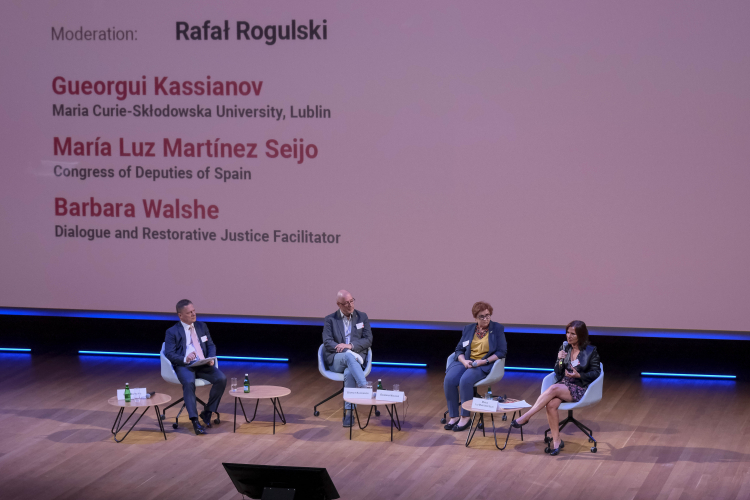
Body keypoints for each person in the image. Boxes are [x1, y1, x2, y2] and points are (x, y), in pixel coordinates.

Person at [511, 320, 601, 455]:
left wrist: (579, 375)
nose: (569, 336)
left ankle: (527, 416)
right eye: (567, 333)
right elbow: (558, 372)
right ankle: (557, 441)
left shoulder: (590, 351)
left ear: (581, 335)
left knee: (553, 389)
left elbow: (596, 372)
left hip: (580, 387)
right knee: (551, 404)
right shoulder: (565, 347)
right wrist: (559, 360)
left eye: (573, 334)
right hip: (564, 383)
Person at [164, 299, 227, 435]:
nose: (193, 314)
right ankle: (194, 421)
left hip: (202, 364)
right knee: (189, 382)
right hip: (185, 365)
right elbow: (169, 353)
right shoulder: (172, 331)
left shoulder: (201, 326)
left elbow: (210, 345)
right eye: (189, 312)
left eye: (194, 311)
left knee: (221, 378)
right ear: (180, 315)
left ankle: (207, 412)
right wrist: (184, 359)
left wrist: (210, 358)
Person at [443, 301, 507, 432]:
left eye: (488, 315)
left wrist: (483, 362)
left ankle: (465, 417)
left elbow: (502, 352)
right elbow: (459, 349)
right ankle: (454, 416)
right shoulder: (468, 329)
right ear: (475, 318)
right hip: (466, 361)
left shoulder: (497, 329)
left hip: (483, 363)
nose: (486, 319)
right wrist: (464, 361)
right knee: (449, 380)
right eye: (482, 316)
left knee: (465, 380)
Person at [322, 290, 373, 427]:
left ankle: (349, 414)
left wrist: (351, 346)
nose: (350, 305)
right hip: (337, 359)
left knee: (350, 372)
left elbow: (368, 340)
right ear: (339, 304)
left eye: (352, 301)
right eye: (346, 303)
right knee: (349, 356)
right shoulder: (330, 319)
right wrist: (346, 349)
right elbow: (327, 341)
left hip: (356, 358)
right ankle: (364, 387)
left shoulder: (362, 317)